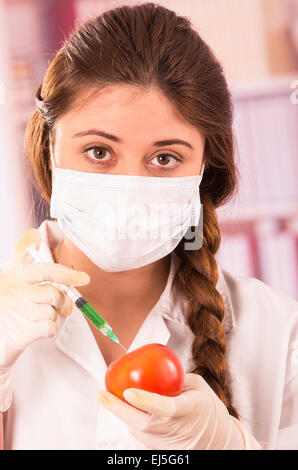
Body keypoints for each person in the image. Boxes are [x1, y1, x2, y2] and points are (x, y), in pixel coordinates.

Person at [0, 2, 297, 450]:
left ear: (205, 173)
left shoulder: (278, 331)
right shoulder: (7, 324)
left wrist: (228, 444)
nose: (128, 187)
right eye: (98, 151)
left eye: (164, 158)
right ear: (49, 152)